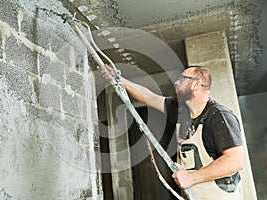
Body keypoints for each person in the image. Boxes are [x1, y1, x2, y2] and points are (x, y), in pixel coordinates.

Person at [100, 65, 244, 200]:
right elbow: (148, 97)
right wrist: (118, 79)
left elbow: (235, 161)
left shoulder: (219, 117)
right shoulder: (180, 110)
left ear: (195, 85)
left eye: (182, 79)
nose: (176, 82)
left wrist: (192, 177)